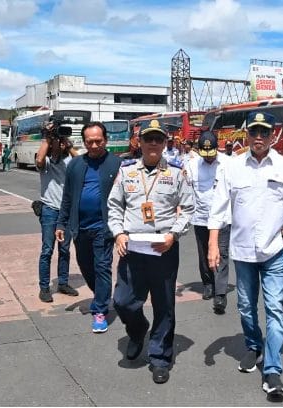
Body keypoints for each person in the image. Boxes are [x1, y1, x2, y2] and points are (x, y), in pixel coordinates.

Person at [208, 111, 283, 400]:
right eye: (254, 132)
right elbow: (219, 208)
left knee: (274, 308)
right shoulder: (232, 167)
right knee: (247, 307)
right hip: (243, 251)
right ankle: (253, 346)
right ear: (246, 134)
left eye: (265, 132)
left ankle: (273, 370)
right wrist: (213, 244)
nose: (259, 137)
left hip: (275, 252)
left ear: (272, 135)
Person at [107, 119, 194, 385]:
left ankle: (159, 357)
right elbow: (114, 206)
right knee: (123, 301)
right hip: (132, 247)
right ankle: (137, 331)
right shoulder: (126, 171)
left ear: (165, 142)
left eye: (158, 139)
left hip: (163, 248)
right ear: (140, 143)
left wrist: (173, 235)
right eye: (148, 139)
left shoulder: (177, 173)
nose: (153, 143)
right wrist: (118, 233)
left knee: (164, 305)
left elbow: (189, 209)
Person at [55, 122, 122, 333]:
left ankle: (100, 309)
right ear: (84, 142)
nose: (94, 145)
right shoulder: (75, 165)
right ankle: (101, 295)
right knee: (86, 266)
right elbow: (67, 197)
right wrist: (61, 223)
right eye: (89, 142)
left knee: (102, 266)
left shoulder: (117, 164)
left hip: (104, 226)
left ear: (106, 140)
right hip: (79, 228)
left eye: (98, 141)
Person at [185, 131, 231, 313]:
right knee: (204, 253)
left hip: (222, 218)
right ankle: (208, 284)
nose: (208, 158)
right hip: (201, 217)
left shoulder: (228, 164)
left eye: (211, 154)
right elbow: (184, 186)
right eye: (205, 155)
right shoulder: (192, 165)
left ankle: (220, 294)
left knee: (222, 254)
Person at [36, 124, 80, 303]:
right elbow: (39, 159)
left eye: (60, 143)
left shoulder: (69, 162)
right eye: (56, 143)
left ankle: (63, 282)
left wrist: (68, 146)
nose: (58, 145)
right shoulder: (45, 163)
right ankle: (44, 287)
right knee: (47, 250)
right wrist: (48, 138)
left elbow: (83, 161)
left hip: (66, 212)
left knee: (65, 249)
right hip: (49, 210)